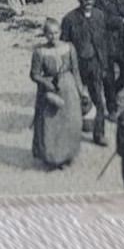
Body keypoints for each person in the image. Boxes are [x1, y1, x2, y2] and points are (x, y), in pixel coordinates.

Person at [29, 16, 84, 170]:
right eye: (49, 34)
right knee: (50, 123)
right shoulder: (39, 51)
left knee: (70, 122)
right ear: (44, 34)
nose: (53, 36)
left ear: (60, 32)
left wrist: (81, 91)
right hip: (49, 91)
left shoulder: (69, 47)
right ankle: (52, 158)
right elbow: (34, 74)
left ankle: (67, 155)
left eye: (56, 32)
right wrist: (46, 83)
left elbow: (75, 71)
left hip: (68, 88)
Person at [60, 0, 110, 146]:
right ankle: (71, 132)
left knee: (98, 100)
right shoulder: (69, 19)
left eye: (91, 1)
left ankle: (99, 133)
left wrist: (104, 65)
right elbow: (63, 44)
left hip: (94, 64)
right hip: (77, 65)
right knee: (73, 100)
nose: (88, 4)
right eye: (85, 1)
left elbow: (103, 43)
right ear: (79, 0)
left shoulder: (99, 16)